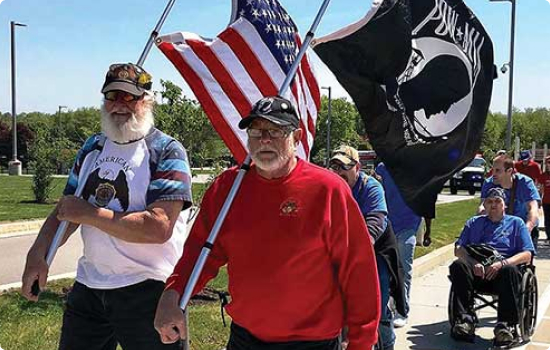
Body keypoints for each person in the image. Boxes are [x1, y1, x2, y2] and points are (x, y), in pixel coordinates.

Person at [154, 96, 381, 350]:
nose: (264, 139)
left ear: (296, 138)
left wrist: (361, 341)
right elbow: (200, 252)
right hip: (245, 339)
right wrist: (173, 292)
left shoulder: (328, 190)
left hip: (312, 343)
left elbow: (358, 270)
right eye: (256, 131)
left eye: (275, 131)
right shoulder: (227, 189)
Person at [21, 63, 192, 350]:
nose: (119, 106)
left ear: (147, 101)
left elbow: (158, 227)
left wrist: (89, 214)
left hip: (148, 289)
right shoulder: (92, 147)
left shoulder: (167, 150)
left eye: (130, 97)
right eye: (112, 97)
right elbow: (66, 210)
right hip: (90, 287)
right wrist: (37, 255)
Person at [329, 146, 404, 350]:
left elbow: (377, 219)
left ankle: (387, 345)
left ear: (357, 167)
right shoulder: (330, 187)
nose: (338, 172)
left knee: (376, 307)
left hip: (376, 252)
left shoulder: (371, 186)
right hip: (342, 251)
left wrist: (361, 245)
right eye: (334, 167)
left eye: (343, 167)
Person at [449, 188, 535, 347]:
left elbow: (527, 254)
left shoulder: (516, 223)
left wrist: (502, 264)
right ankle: (465, 320)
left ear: (504, 205)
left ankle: (505, 325)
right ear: (485, 205)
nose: (493, 205)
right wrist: (471, 261)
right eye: (489, 201)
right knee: (458, 265)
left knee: (509, 270)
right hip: (477, 272)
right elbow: (458, 249)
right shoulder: (473, 223)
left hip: (504, 274)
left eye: (497, 201)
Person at [374, 162, 431, 328]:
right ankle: (390, 303)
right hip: (386, 226)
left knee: (404, 269)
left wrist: (428, 231)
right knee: (385, 268)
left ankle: (402, 310)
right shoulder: (382, 168)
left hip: (408, 226)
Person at [480, 155, 540, 248]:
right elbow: (483, 206)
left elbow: (533, 209)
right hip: (500, 229)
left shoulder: (525, 183)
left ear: (509, 171)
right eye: (493, 169)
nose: (493, 174)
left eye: (498, 170)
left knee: (524, 259)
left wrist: (526, 230)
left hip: (525, 226)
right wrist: (476, 224)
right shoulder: (489, 183)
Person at [538, 155, 550, 240]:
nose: (549, 165)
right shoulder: (544, 175)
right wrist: (539, 199)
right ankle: (549, 236)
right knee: (548, 220)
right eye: (548, 163)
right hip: (547, 201)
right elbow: (541, 188)